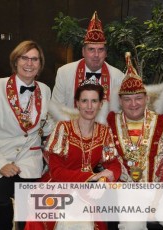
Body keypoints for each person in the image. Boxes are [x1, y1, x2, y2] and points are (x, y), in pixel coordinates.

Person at [107, 52, 163, 230]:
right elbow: (107, 161)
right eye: (127, 99)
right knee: (132, 227)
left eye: (138, 98)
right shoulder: (110, 126)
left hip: (161, 191)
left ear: (147, 99)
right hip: (127, 191)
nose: (133, 104)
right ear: (120, 101)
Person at [0, 40, 53, 230]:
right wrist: (0, 164)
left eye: (35, 59)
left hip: (28, 162)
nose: (29, 63)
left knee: (27, 223)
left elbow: (47, 125)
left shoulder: (45, 90)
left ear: (40, 65)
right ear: (15, 61)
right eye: (24, 58)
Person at [24, 80, 123, 230]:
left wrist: (103, 179)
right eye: (84, 101)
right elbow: (56, 171)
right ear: (77, 103)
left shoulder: (104, 132)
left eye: (94, 101)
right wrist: (92, 177)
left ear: (100, 104)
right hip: (57, 186)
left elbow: (113, 164)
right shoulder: (64, 128)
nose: (89, 106)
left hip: (88, 189)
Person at [50, 11, 124, 124]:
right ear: (83, 52)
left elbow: (121, 114)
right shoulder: (64, 73)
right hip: (72, 131)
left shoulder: (118, 76)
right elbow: (56, 110)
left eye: (100, 50)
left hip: (105, 134)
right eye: (91, 49)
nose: (96, 55)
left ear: (106, 53)